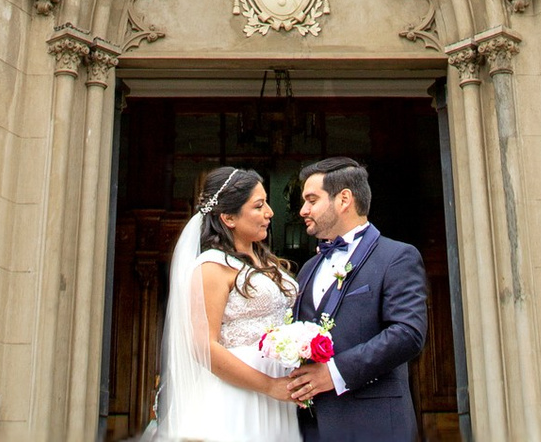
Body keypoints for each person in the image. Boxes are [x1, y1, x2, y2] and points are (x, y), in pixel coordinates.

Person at [153, 163, 304, 441]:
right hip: (238, 395)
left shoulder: (267, 262)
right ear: (229, 218)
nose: (270, 212)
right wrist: (269, 386)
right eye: (258, 206)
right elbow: (204, 346)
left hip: (277, 394)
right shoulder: (212, 267)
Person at [284, 159, 428, 438]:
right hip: (313, 428)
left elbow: (408, 333)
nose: (303, 210)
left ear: (344, 199)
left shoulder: (397, 257)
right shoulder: (307, 269)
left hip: (374, 425)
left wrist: (335, 372)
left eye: (312, 200)